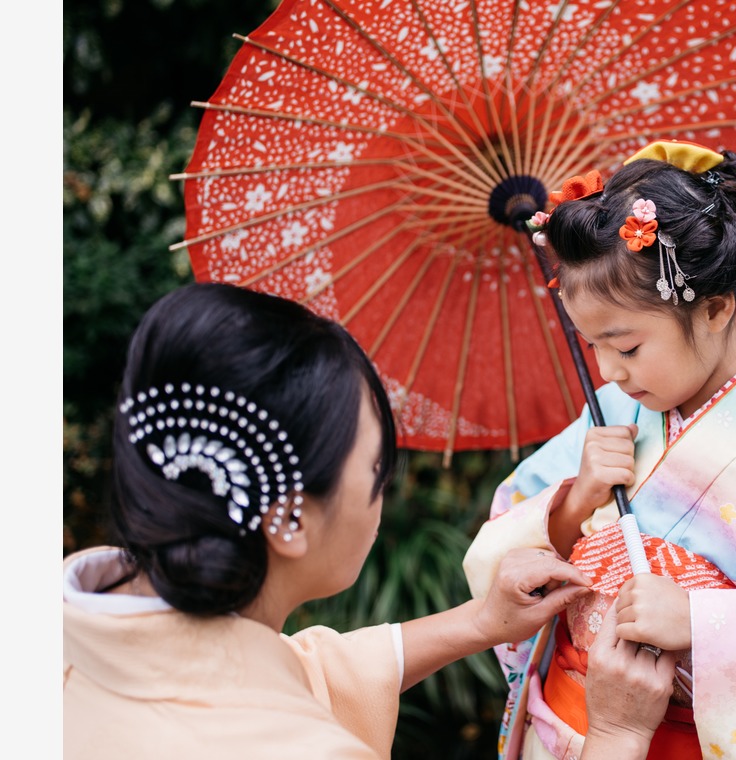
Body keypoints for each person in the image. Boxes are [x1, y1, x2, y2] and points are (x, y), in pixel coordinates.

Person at [62, 282, 677, 760]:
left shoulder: (79, 625)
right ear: (288, 520)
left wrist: (481, 622)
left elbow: (293, 673)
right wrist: (617, 735)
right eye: (377, 467)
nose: (384, 489)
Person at [463, 139, 736, 760]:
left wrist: (700, 623)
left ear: (716, 308)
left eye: (626, 346)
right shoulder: (613, 418)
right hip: (568, 732)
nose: (610, 372)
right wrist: (573, 506)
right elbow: (500, 558)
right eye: (591, 345)